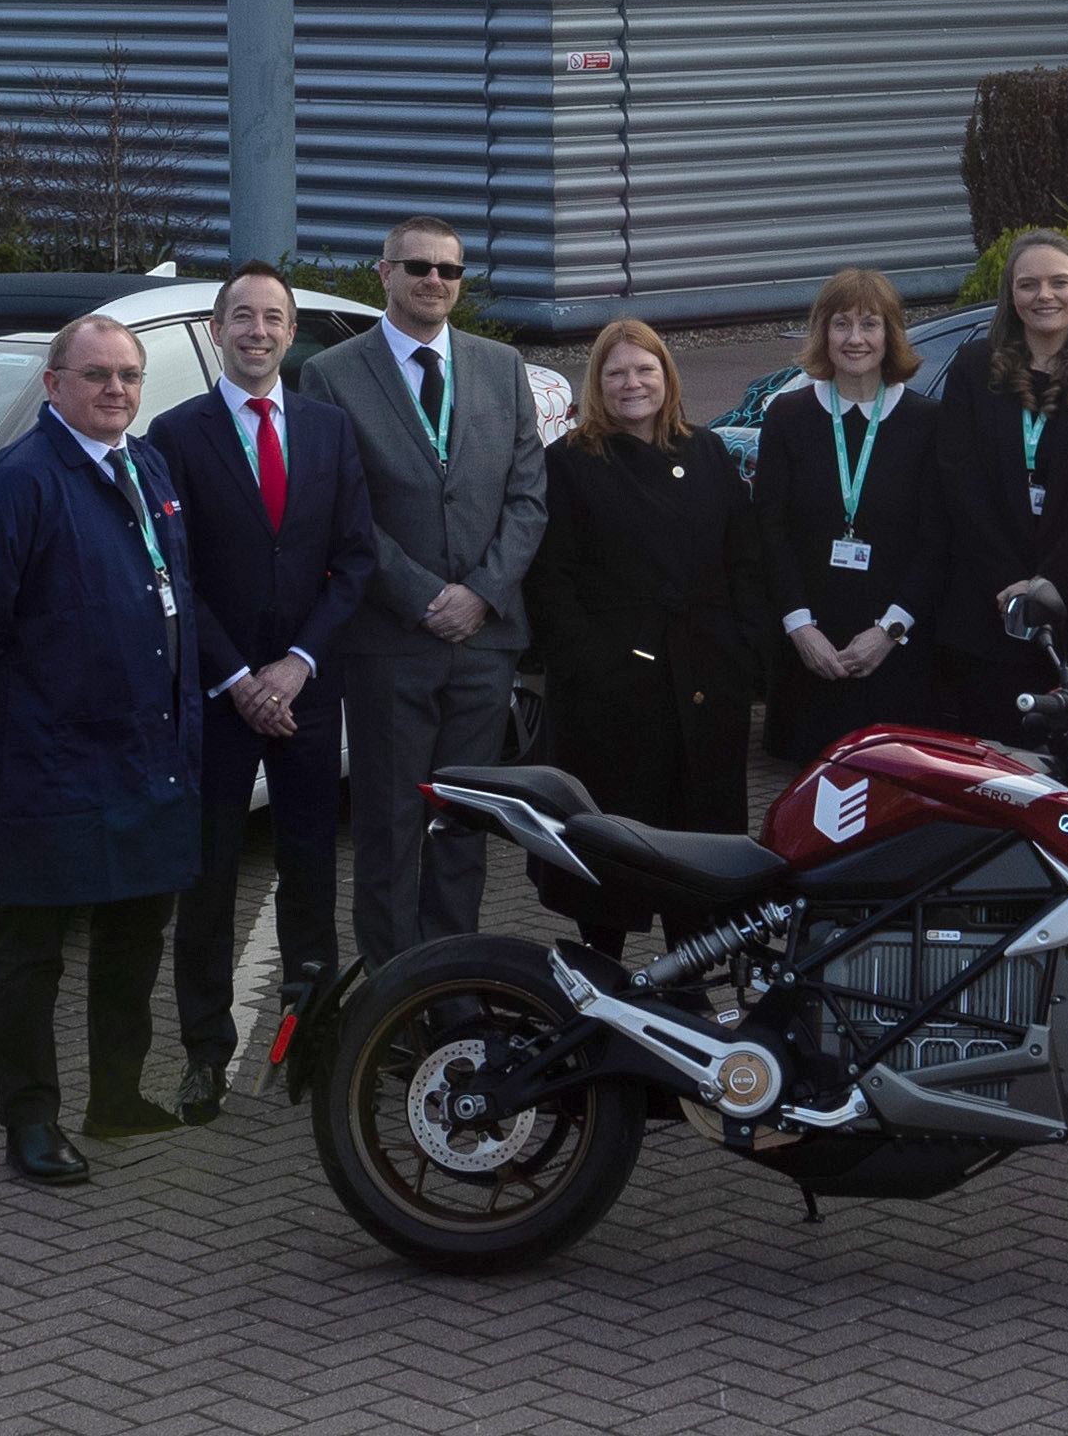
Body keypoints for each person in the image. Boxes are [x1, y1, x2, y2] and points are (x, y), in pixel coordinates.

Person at [0, 313, 204, 1185]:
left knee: (135, 937)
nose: (116, 390)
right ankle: (31, 1122)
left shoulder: (147, 465)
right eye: (96, 375)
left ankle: (116, 1097)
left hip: (150, 754)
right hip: (50, 760)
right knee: (34, 951)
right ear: (54, 385)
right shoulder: (15, 483)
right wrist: (11, 712)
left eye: (128, 375)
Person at [148, 261, 375, 1126]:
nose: (257, 332)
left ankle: (309, 1042)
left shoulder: (328, 429)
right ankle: (206, 1054)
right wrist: (240, 676)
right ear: (217, 330)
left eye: (272, 318)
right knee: (206, 884)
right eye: (241, 317)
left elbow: (354, 559)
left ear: (289, 332)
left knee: (310, 871)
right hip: (218, 695)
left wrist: (298, 665)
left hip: (308, 691)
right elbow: (177, 571)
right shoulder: (175, 434)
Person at [296, 216, 550, 967]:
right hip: (389, 644)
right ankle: (391, 997)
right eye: (417, 267)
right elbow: (343, 509)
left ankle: (453, 990)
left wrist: (479, 593)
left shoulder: (502, 367)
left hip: (484, 643)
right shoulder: (334, 374)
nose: (433, 280)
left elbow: (528, 497)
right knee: (389, 827)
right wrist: (421, 596)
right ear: (384, 273)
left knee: (462, 831)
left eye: (448, 270)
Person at [524, 321, 767, 954]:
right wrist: (594, 665)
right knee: (609, 854)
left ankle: (691, 987)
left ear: (667, 377)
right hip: (612, 698)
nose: (632, 384)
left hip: (705, 688)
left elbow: (744, 561)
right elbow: (552, 582)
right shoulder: (570, 462)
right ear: (597, 385)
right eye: (616, 373)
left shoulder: (708, 451)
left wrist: (741, 653)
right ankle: (600, 987)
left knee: (701, 854)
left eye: (645, 370)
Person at [930, 229, 1068, 744]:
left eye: (1059, 282)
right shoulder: (974, 365)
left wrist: (1049, 582)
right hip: (989, 607)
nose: (1044, 296)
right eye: (1028, 285)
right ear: (1011, 295)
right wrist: (1013, 581)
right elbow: (960, 480)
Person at [755, 269, 944, 764]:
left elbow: (937, 540)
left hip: (893, 655)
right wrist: (800, 628)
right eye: (841, 324)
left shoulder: (928, 423)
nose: (855, 339)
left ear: (891, 334)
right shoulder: (787, 416)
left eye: (870, 324)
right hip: (808, 652)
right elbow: (769, 532)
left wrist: (890, 631)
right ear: (823, 333)